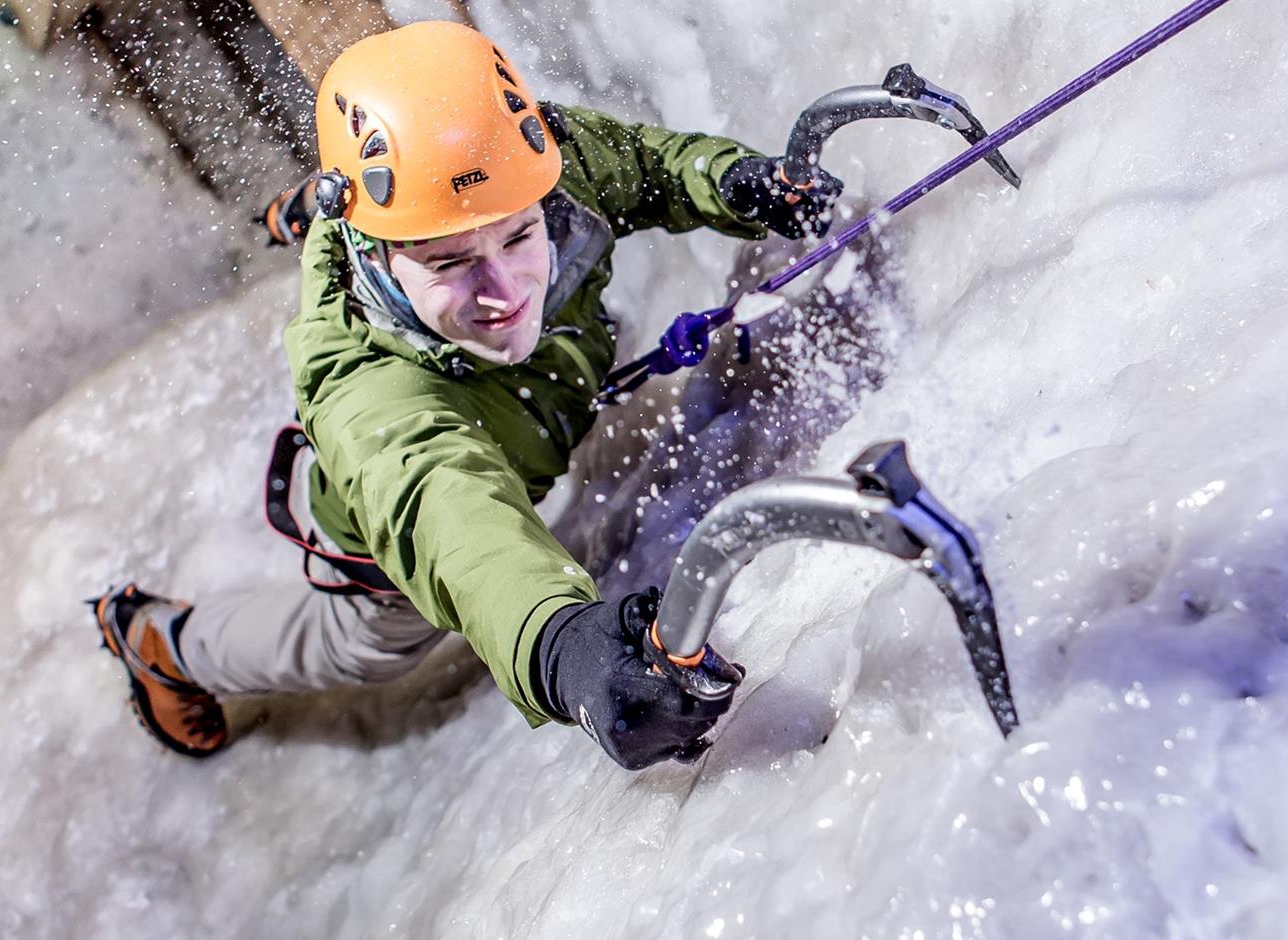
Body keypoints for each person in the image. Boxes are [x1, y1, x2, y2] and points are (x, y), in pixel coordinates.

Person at [92, 20, 841, 770]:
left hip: (523, 416)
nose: (505, 291)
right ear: (373, 251)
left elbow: (647, 168)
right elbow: (446, 507)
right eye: (448, 261)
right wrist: (557, 644)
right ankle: (163, 644)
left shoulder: (525, 168)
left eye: (519, 239)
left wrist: (738, 183)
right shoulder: (363, 388)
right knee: (364, 646)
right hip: (390, 547)